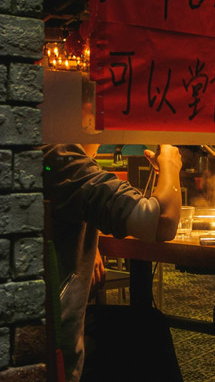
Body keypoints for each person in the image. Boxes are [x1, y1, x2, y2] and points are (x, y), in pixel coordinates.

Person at [41, 143, 182, 382]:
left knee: (147, 325)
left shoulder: (47, 153)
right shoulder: (62, 157)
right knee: (148, 332)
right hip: (50, 350)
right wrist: (170, 161)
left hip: (47, 334)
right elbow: (162, 220)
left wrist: (93, 242)